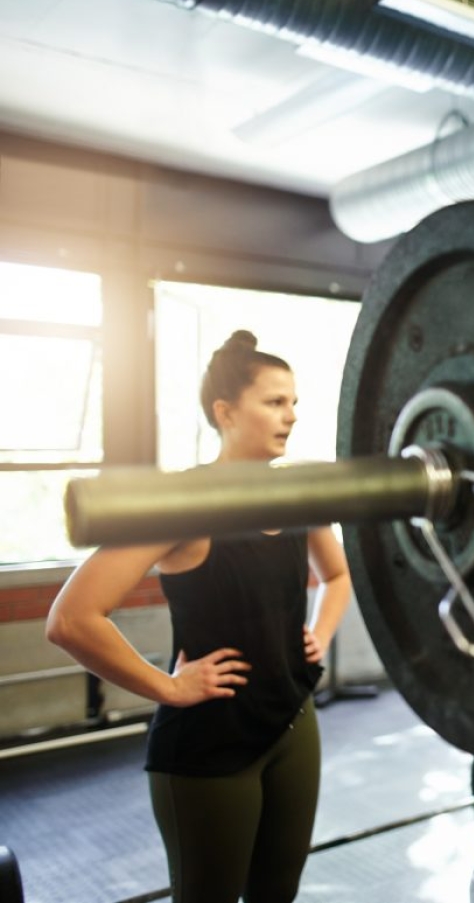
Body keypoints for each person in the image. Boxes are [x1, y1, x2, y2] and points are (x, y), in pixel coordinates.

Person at [46, 331, 351, 902]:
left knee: (277, 892)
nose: (290, 416)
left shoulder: (299, 496)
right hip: (211, 739)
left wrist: (319, 632)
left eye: (294, 403)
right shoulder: (183, 505)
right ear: (225, 411)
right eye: (274, 402)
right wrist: (168, 687)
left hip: (292, 717)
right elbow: (72, 618)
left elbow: (337, 575)